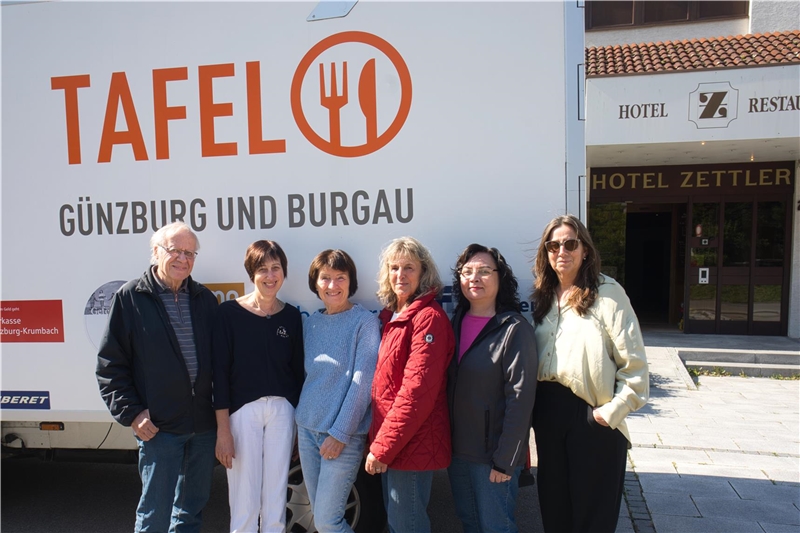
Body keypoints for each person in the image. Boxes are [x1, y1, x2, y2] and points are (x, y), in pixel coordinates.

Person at [96, 221, 219, 533]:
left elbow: (220, 361)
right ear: (155, 252)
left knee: (190, 514)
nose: (183, 259)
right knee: (154, 517)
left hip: (203, 427)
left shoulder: (204, 299)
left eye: (190, 253)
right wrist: (132, 414)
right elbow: (111, 364)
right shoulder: (131, 298)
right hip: (159, 429)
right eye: (174, 250)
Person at [531, 214, 649, 533]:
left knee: (592, 518)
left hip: (591, 415)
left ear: (585, 250)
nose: (562, 251)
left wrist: (609, 413)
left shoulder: (608, 294)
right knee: (555, 510)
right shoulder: (541, 297)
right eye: (553, 245)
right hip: (548, 415)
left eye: (570, 243)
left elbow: (636, 368)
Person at [212, 240, 305, 533]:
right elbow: (220, 373)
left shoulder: (291, 316)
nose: (270, 275)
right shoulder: (229, 314)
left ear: (284, 272)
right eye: (262, 269)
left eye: (276, 268)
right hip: (242, 413)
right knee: (244, 497)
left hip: (282, 412)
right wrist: (223, 429)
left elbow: (297, 375)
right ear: (251, 273)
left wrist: (299, 427)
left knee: (276, 495)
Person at [365, 236, 455, 533]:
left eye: (409, 268)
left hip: (411, 446)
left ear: (423, 272)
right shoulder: (396, 316)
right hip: (398, 443)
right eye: (394, 268)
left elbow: (416, 393)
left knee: (407, 527)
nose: (400, 275)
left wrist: (383, 448)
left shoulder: (428, 319)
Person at [446, 244, 538, 533]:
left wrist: (506, 460)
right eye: (468, 271)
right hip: (457, 451)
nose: (475, 277)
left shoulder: (514, 328)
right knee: (469, 522)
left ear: (501, 278)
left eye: (485, 271)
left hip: (492, 457)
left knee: (496, 527)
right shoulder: (454, 323)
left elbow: (521, 400)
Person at [295, 249, 381, 533]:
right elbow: (308, 379)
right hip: (307, 431)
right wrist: (298, 428)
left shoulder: (364, 322)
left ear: (350, 281)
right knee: (322, 520)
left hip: (341, 437)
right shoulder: (312, 323)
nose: (332, 286)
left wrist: (340, 434)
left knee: (327, 522)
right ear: (315, 282)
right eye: (325, 278)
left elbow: (362, 382)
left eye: (340, 278)